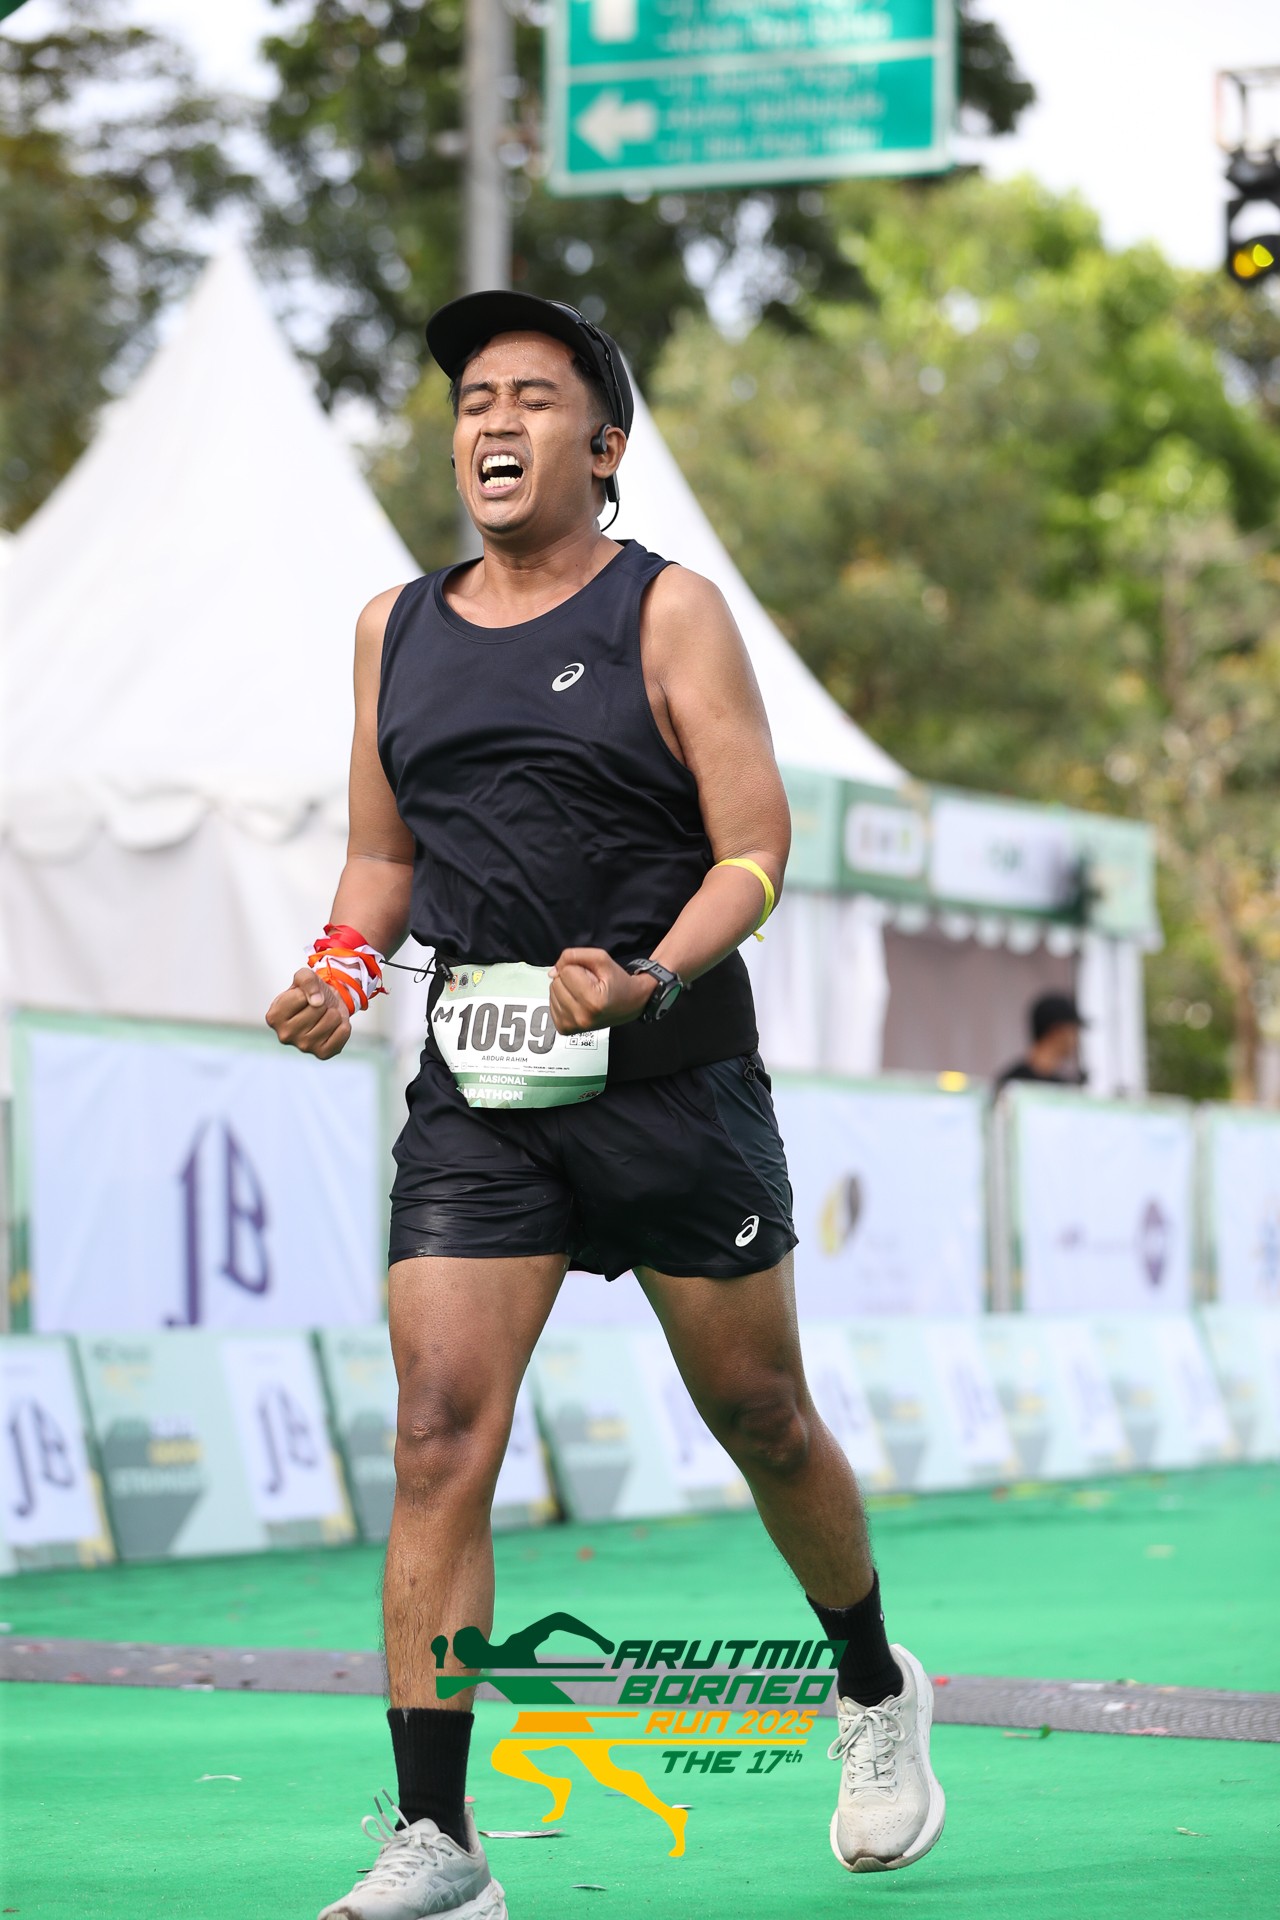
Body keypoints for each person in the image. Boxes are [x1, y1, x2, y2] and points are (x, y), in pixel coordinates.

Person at [266, 290, 944, 1920]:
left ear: (606, 444)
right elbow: (381, 857)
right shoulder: (390, 628)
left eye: (533, 398)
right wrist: (341, 971)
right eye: (472, 403)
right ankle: (440, 1840)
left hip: (671, 1079)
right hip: (481, 1090)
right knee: (438, 1432)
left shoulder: (670, 610)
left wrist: (649, 973)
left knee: (762, 1416)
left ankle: (871, 1682)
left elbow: (757, 850)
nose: (493, 424)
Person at [994, 990, 1088, 1095]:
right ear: (1057, 1032)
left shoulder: (1063, 1088)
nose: (1076, 1040)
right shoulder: (1011, 1084)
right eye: (1073, 1031)